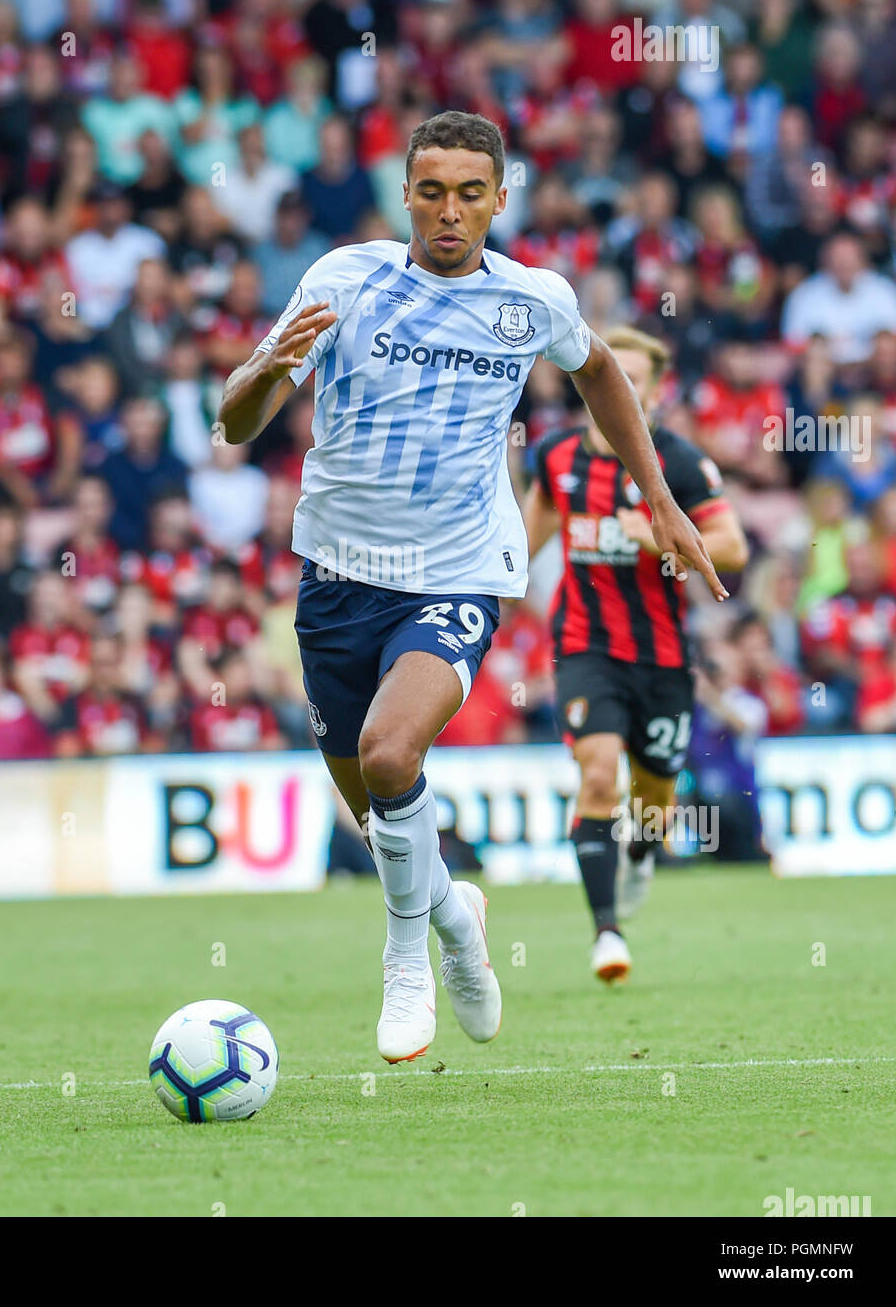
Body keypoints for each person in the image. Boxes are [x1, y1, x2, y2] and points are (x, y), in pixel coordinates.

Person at [218, 110, 727, 1064]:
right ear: (404, 194)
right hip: (336, 573)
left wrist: (658, 498)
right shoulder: (342, 280)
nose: (448, 211)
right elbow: (237, 421)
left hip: (455, 570)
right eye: (430, 191)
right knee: (378, 818)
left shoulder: (529, 299)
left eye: (469, 192)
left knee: (385, 752)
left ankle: (407, 957)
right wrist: (262, 370)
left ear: (499, 197)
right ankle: (457, 915)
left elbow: (604, 372)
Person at [524, 326, 748, 983]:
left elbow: (730, 548)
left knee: (652, 797)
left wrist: (655, 540)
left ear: (651, 389)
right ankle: (605, 934)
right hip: (582, 646)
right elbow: (521, 542)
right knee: (597, 776)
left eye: (632, 378)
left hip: (660, 656)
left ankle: (642, 853)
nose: (616, 388)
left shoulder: (674, 462)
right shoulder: (557, 457)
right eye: (606, 376)